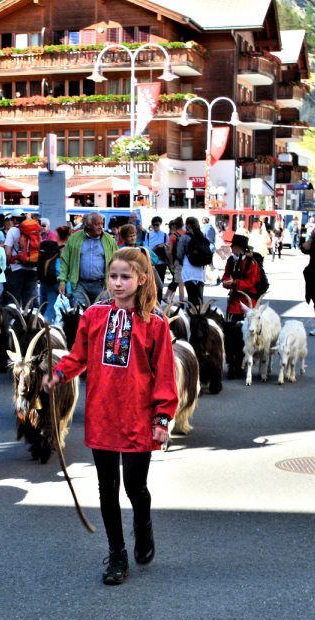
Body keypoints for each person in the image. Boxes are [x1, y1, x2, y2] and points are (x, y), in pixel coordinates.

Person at [43, 247, 177, 586]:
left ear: (142, 279)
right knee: (107, 487)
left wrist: (162, 419)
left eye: (125, 277)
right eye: (113, 276)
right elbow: (78, 356)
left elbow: (164, 376)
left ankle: (143, 527)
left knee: (135, 487)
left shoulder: (155, 323)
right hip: (102, 414)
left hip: (137, 416)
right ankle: (117, 554)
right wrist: (58, 374)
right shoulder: (94, 315)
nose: (117, 283)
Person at [59, 212, 116, 307]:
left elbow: (116, 260)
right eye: (96, 224)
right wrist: (62, 281)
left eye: (101, 224)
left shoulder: (109, 240)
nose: (100, 227)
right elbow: (65, 261)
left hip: (102, 284)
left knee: (101, 313)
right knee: (79, 313)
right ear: (88, 226)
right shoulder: (74, 238)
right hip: (80, 284)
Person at [220, 234, 263, 321]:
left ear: (240, 247)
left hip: (248, 301)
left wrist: (235, 283)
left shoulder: (251, 263)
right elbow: (226, 275)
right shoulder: (231, 260)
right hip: (234, 301)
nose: (231, 247)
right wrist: (226, 282)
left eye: (233, 245)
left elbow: (251, 282)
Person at [176, 217, 210, 308]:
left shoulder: (184, 238)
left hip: (189, 270)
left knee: (191, 298)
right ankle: (201, 317)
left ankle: (193, 318)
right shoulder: (202, 236)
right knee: (199, 298)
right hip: (201, 272)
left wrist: (182, 262)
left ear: (188, 225)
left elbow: (179, 255)